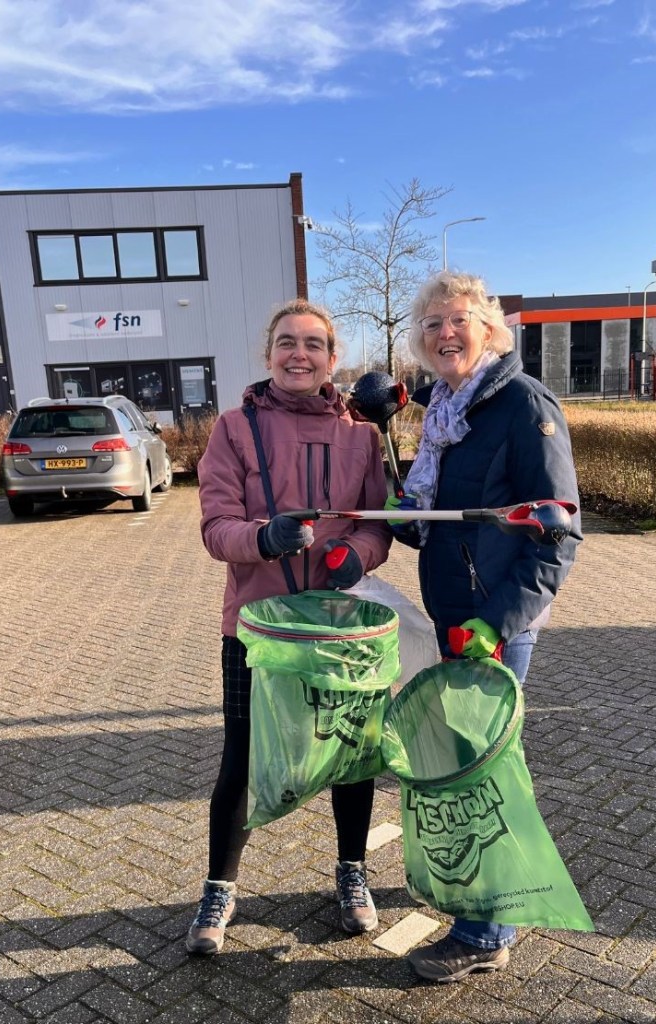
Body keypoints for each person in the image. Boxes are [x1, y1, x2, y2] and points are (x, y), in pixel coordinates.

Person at [388, 270, 582, 983]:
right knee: (466, 759)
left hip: (493, 623)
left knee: (483, 770)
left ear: (490, 329)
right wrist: (402, 517)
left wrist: (497, 623)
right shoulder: (445, 410)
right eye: (432, 323)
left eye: (458, 319)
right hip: (452, 614)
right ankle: (482, 905)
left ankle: (484, 932)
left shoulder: (522, 403)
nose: (445, 333)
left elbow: (558, 533)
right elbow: (446, 521)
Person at [187, 298, 392, 956]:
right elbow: (216, 528)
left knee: (352, 756)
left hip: (341, 628)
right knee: (243, 759)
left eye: (312, 344)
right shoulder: (233, 429)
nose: (298, 354)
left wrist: (356, 555)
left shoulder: (363, 435)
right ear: (268, 353)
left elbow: (377, 524)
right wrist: (263, 538)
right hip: (257, 630)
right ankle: (219, 887)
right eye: (286, 342)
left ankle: (352, 873)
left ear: (332, 359)